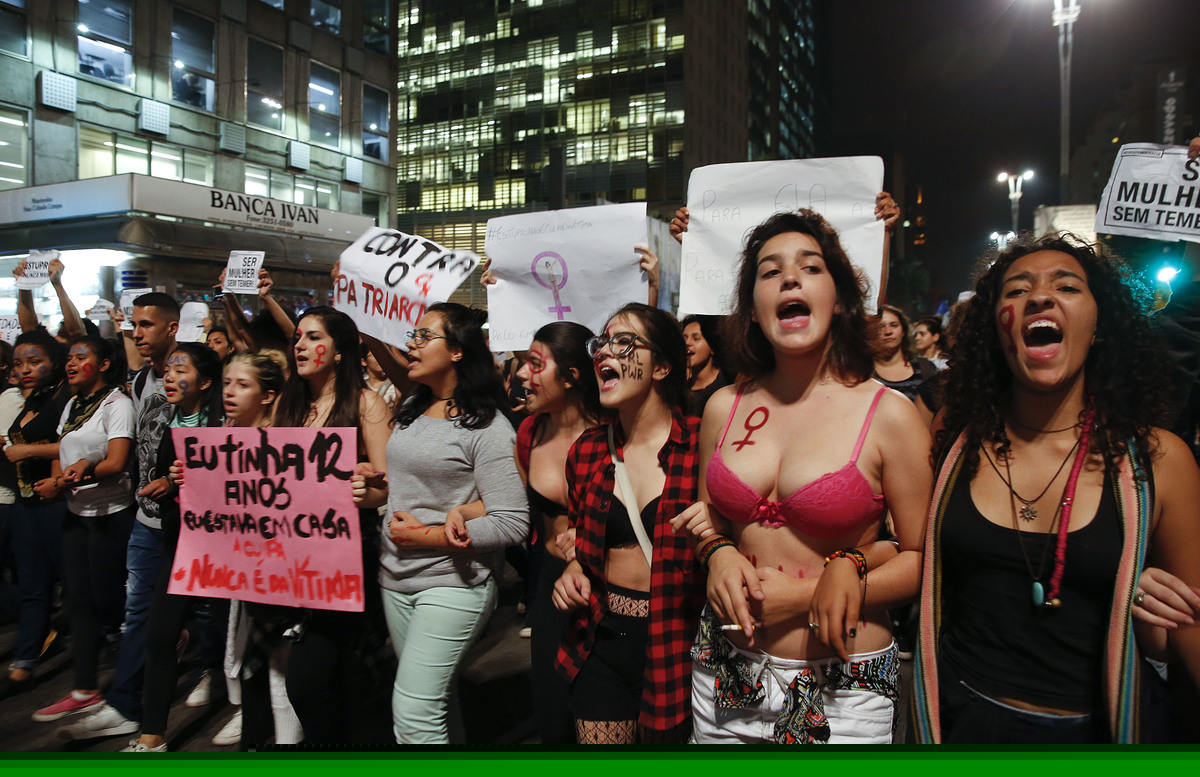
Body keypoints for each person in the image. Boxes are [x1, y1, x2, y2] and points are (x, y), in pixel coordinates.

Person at [910, 235, 1200, 744]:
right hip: (959, 725)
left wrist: (1161, 635)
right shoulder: (953, 439)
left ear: (1101, 324)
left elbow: (1190, 627)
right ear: (994, 331)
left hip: (1099, 734)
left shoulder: (1161, 460)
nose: (1039, 298)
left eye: (1066, 286)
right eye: (1016, 291)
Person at [671, 209, 931, 744]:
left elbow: (921, 559)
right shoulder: (723, 407)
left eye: (810, 267)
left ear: (837, 299)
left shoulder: (889, 414)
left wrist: (812, 590)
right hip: (726, 672)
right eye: (770, 272)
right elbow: (710, 522)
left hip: (844, 685)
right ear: (753, 308)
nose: (789, 278)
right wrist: (716, 552)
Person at [352, 302, 529, 744]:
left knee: (412, 713)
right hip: (395, 579)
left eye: (423, 336)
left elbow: (512, 522)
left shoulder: (487, 428)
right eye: (412, 335)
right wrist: (375, 488)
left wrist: (425, 537)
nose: (411, 344)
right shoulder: (414, 407)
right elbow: (403, 490)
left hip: (453, 585)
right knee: (438, 703)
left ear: (456, 351)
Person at [552, 302, 703, 745]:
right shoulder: (586, 451)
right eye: (601, 344)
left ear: (662, 367)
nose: (603, 353)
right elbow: (581, 537)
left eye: (624, 343)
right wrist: (574, 567)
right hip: (600, 636)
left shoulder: (702, 442)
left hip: (678, 642)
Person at [62, 292, 180, 740]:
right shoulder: (141, 382)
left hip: (185, 523)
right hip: (146, 521)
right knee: (140, 614)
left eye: (146, 325)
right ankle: (127, 704)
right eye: (133, 324)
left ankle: (225, 689)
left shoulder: (190, 375)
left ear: (172, 328)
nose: (136, 332)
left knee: (206, 618)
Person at [272, 306, 389, 745]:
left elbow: (385, 488)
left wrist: (367, 489)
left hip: (346, 559)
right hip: (292, 560)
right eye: (297, 337)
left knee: (307, 680)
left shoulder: (367, 404)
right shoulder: (289, 404)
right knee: (336, 678)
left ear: (340, 352)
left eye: (312, 337)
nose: (299, 345)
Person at [125, 343, 225, 752]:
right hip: (179, 542)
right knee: (160, 633)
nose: (168, 376)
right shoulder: (168, 420)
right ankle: (152, 735)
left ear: (205, 382)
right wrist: (167, 487)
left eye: (179, 369)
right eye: (167, 369)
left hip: (223, 547)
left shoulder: (226, 424)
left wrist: (186, 481)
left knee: (226, 634)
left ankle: (237, 703)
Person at [30, 336, 134, 723]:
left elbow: (117, 462)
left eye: (81, 356)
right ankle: (85, 689)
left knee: (111, 605)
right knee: (79, 604)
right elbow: (63, 449)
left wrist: (68, 481)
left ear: (104, 364)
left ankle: (132, 683)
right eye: (69, 358)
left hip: (111, 516)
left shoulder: (117, 404)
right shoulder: (73, 404)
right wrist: (55, 485)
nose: (71, 363)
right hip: (76, 514)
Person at [510, 321, 604, 743]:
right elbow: (514, 506)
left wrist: (589, 536)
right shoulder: (530, 432)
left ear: (571, 376)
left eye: (534, 364)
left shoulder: (613, 431)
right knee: (550, 706)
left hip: (608, 584)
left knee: (603, 705)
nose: (521, 375)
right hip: (550, 583)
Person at [0, 329, 72, 697]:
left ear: (53, 363)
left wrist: (26, 452)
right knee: (32, 586)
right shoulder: (30, 400)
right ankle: (24, 662)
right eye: (18, 363)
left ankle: (114, 641)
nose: (25, 369)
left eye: (34, 361)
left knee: (77, 587)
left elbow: (70, 442)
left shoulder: (64, 396)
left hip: (58, 505)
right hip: (27, 505)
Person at [873, 304, 937, 402]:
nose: (888, 331)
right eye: (880, 327)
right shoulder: (863, 370)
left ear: (903, 331)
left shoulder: (925, 368)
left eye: (894, 325)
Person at [680, 315, 732, 413]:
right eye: (684, 338)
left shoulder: (727, 385)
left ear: (712, 347)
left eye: (696, 338)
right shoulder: (678, 389)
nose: (687, 343)